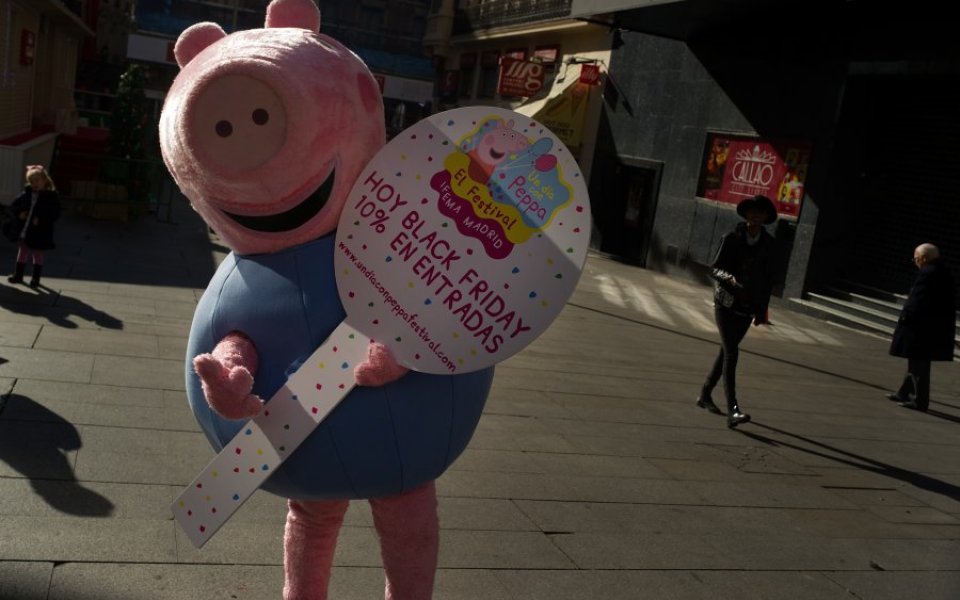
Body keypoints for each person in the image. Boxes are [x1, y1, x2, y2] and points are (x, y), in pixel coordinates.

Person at [696, 194, 777, 428]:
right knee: (732, 352)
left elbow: (768, 279)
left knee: (726, 352)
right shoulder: (731, 238)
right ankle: (733, 409)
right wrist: (732, 281)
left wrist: (762, 310)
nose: (756, 215)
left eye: (761, 212)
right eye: (752, 211)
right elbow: (715, 269)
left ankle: (705, 394)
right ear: (746, 214)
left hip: (748, 306)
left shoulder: (769, 244)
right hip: (725, 302)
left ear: (766, 217)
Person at [886, 243, 956, 412]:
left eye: (916, 258)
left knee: (919, 364)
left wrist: (905, 317)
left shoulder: (928, 273)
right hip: (932, 326)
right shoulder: (944, 272)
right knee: (915, 361)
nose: (915, 261)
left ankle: (919, 401)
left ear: (924, 258)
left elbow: (917, 300)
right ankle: (904, 392)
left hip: (921, 327)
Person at [7, 165, 60, 288]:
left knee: (38, 253)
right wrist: (19, 213)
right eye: (31, 181)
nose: (34, 184)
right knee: (22, 251)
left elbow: (55, 213)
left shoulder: (50, 197)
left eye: (37, 180)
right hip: (25, 229)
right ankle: (18, 275)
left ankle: (35, 278)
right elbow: (14, 206)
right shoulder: (26, 194)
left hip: (39, 231)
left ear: (44, 180)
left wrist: (42, 220)